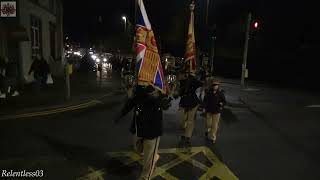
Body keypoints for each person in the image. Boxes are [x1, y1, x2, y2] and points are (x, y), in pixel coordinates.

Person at [114, 85, 171, 180]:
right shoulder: (140, 89)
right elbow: (131, 103)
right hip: (139, 127)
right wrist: (121, 114)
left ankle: (145, 176)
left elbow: (165, 104)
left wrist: (161, 97)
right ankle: (154, 157)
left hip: (153, 129)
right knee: (138, 149)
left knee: (148, 156)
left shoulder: (159, 90)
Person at [178, 73, 203, 147]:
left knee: (190, 121)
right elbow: (178, 92)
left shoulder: (193, 80)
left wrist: (192, 76)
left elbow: (200, 84)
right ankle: (184, 133)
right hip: (184, 102)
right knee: (182, 120)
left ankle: (187, 136)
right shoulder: (182, 80)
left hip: (193, 102)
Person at [202, 80, 226, 144]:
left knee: (215, 125)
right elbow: (204, 100)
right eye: (214, 85)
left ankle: (213, 137)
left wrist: (221, 104)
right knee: (208, 123)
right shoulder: (209, 93)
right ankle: (208, 130)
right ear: (212, 86)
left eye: (216, 85)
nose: (215, 86)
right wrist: (204, 107)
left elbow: (224, 101)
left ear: (218, 86)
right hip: (209, 110)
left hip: (217, 111)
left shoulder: (220, 93)